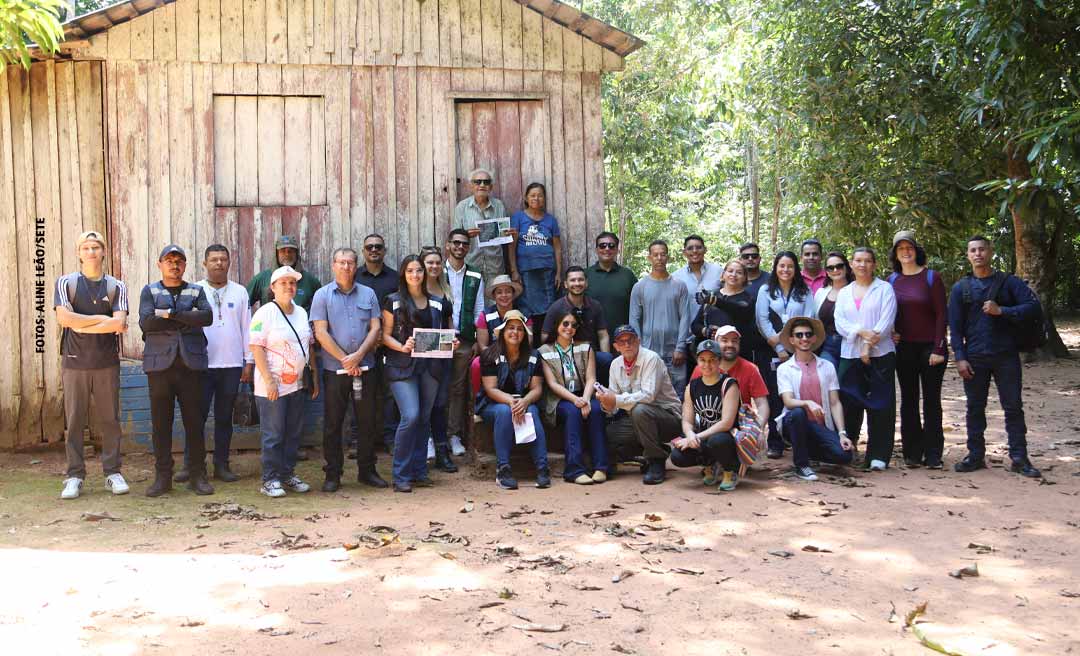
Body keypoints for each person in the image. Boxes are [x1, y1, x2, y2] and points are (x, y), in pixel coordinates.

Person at [948, 236, 1042, 478]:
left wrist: (1003, 311)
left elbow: (1033, 307)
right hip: (974, 356)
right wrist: (960, 357)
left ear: (990, 252)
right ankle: (975, 455)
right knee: (974, 408)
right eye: (973, 250)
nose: (978, 254)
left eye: (982, 249)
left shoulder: (1008, 282)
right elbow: (955, 328)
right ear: (968, 255)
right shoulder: (961, 288)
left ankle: (1019, 458)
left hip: (1006, 355)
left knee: (1013, 407)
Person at [54, 230, 130, 500]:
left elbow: (119, 324)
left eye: (96, 247)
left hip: (106, 363)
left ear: (104, 251)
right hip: (74, 363)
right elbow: (64, 319)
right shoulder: (66, 283)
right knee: (75, 420)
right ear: (79, 253)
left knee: (110, 420)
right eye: (85, 248)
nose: (91, 252)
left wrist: (81, 322)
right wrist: (101, 320)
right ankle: (74, 475)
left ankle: (112, 472)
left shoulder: (116, 286)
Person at [138, 245, 214, 497]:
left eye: (179, 261)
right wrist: (185, 317)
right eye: (169, 260)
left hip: (191, 366)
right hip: (159, 366)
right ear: (159, 264)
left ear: (185, 265)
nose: (174, 265)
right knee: (161, 424)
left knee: (194, 423)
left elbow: (206, 317)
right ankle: (163, 478)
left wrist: (171, 314)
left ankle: (197, 475)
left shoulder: (197, 289)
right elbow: (147, 322)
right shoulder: (149, 290)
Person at [310, 248, 387, 493]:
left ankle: (367, 471)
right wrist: (346, 360)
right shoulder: (322, 295)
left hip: (367, 368)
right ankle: (333, 473)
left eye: (350, 263)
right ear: (333, 265)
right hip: (335, 371)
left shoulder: (369, 294)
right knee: (333, 423)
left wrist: (359, 356)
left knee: (367, 421)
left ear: (356, 266)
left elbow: (376, 328)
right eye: (341, 263)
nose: (346, 267)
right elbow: (320, 332)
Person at [178, 244, 253, 485]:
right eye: (214, 259)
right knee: (194, 418)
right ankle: (191, 465)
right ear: (204, 263)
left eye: (223, 259)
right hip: (199, 365)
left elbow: (247, 328)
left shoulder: (240, 292)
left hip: (231, 365)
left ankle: (222, 464)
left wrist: (248, 361)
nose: (219, 263)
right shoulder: (193, 290)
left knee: (223, 418)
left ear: (229, 263)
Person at [381, 255, 454, 493]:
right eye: (410, 270)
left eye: (419, 270)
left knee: (424, 418)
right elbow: (384, 335)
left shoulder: (438, 302)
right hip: (401, 366)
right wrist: (401, 346)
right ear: (403, 273)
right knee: (410, 415)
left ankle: (419, 471)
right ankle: (400, 475)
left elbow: (449, 333)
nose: (415, 275)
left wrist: (451, 343)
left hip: (430, 366)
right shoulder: (392, 301)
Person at [249, 266, 320, 498]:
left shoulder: (300, 312)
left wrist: (314, 377)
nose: (289, 287)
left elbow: (309, 345)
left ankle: (287, 474)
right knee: (274, 434)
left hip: (297, 384)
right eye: (283, 283)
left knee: (292, 433)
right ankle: (270, 479)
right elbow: (256, 346)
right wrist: (268, 380)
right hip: (273, 386)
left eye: (293, 283)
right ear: (272, 287)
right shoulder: (264, 313)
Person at [888, 231, 948, 469]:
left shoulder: (932, 277)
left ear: (916, 250)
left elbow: (942, 314)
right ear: (895, 254)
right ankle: (912, 452)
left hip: (931, 348)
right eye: (900, 248)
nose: (905, 252)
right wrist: (891, 331)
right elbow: (889, 313)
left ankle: (933, 452)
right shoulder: (892, 281)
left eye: (909, 247)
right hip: (904, 348)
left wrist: (939, 347)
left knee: (931, 401)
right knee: (909, 400)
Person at [835, 247, 897, 471]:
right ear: (851, 264)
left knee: (881, 404)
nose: (862, 265)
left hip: (881, 354)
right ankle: (848, 450)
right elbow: (840, 323)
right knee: (849, 402)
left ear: (875, 264)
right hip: (850, 353)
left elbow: (886, 321)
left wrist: (869, 346)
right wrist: (861, 333)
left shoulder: (885, 289)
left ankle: (879, 454)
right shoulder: (844, 292)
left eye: (867, 261)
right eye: (858, 260)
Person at [596, 325, 682, 485]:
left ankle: (656, 461)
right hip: (638, 421)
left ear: (639, 341)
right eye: (622, 342)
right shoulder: (615, 365)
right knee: (610, 433)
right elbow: (614, 407)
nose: (627, 345)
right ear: (615, 347)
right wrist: (605, 402)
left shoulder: (651, 358)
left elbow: (648, 396)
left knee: (640, 410)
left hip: (669, 418)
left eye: (630, 340)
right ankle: (656, 450)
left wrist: (615, 399)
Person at [477, 310, 551, 490]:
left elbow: (537, 388)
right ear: (502, 331)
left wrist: (524, 402)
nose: (515, 332)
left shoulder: (534, 356)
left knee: (532, 411)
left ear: (525, 334)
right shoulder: (490, 355)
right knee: (504, 411)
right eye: (511, 328)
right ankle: (503, 469)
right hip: (494, 405)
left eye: (520, 329)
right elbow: (490, 388)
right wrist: (511, 402)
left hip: (523, 402)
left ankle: (542, 468)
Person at [776, 317, 854, 481]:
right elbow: (788, 401)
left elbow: (835, 402)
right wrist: (807, 403)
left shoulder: (827, 366)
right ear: (792, 340)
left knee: (845, 456)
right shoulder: (784, 369)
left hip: (820, 426)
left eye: (808, 334)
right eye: (799, 335)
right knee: (798, 412)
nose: (804, 338)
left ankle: (808, 451)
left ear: (814, 338)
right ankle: (802, 465)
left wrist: (842, 433)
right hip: (794, 423)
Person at [538, 308, 609, 485]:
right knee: (573, 412)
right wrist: (575, 400)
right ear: (556, 326)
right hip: (560, 399)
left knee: (597, 410)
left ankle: (601, 467)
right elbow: (552, 384)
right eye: (565, 324)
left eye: (573, 325)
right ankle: (574, 470)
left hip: (584, 393)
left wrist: (585, 399)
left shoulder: (585, 347)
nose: (569, 328)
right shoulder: (544, 351)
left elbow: (591, 377)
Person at [755, 250, 815, 459]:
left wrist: (797, 347)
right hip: (773, 351)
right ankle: (775, 442)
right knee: (774, 395)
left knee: (799, 394)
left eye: (790, 266)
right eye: (782, 266)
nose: (785, 270)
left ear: (795, 268)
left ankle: (800, 440)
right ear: (775, 268)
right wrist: (780, 348)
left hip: (800, 349)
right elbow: (762, 321)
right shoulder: (765, 290)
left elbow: (809, 318)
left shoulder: (804, 291)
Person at [671, 340, 742, 491]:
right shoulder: (692, 386)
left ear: (720, 361)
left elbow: (726, 423)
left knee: (718, 440)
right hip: (704, 437)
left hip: (726, 439)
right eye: (702, 360)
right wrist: (690, 434)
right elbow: (687, 420)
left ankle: (730, 470)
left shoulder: (730, 384)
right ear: (697, 361)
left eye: (712, 360)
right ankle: (709, 464)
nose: (707, 365)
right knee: (677, 456)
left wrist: (697, 437)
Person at [442, 229, 485, 458]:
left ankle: (453, 435)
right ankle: (433, 436)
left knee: (458, 388)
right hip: (440, 338)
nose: (460, 247)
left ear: (468, 248)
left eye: (464, 244)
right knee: (436, 387)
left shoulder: (476, 275)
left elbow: (479, 309)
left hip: (465, 339)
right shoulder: (437, 272)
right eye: (455, 243)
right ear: (448, 245)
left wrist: (479, 339)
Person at [630, 240, 691, 397]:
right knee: (650, 391)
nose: (659, 258)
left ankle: (679, 421)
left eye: (663, 254)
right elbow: (634, 319)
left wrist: (680, 347)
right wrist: (640, 349)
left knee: (677, 392)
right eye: (655, 255)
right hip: (649, 348)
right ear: (649, 258)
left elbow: (685, 317)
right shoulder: (640, 287)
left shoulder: (679, 285)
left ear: (668, 257)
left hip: (674, 350)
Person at [356, 233, 399, 454]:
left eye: (378, 247)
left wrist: (383, 336)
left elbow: (400, 310)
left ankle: (390, 438)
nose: (374, 250)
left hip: (389, 345)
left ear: (384, 250)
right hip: (361, 346)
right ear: (364, 251)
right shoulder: (354, 277)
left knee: (390, 393)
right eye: (369, 247)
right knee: (361, 393)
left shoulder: (395, 278)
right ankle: (360, 441)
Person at [421, 246, 460, 472]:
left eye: (437, 262)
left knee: (440, 403)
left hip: (442, 358)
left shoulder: (445, 290)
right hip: (419, 360)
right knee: (421, 406)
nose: (434, 266)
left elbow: (449, 325)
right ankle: (422, 450)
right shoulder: (415, 289)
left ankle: (442, 452)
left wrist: (452, 340)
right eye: (429, 263)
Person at [542, 266, 613, 384]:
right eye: (573, 280)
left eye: (580, 280)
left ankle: (601, 393)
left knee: (607, 359)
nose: (577, 283)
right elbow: (545, 336)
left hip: (591, 354)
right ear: (565, 284)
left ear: (586, 283)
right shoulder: (556, 308)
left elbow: (603, 335)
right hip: (566, 354)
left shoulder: (595, 306)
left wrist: (605, 353)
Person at [508, 182, 562, 327]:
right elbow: (511, 246)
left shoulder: (551, 220)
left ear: (544, 199)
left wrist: (558, 273)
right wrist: (514, 270)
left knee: (549, 307)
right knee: (526, 308)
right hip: (526, 270)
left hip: (547, 270)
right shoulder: (518, 218)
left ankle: (546, 341)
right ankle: (530, 343)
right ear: (526, 198)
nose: (536, 198)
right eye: (532, 195)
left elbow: (557, 247)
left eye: (540, 195)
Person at [452, 168, 510, 295]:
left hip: (495, 265)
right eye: (478, 182)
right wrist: (467, 235)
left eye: (486, 182)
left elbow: (504, 235)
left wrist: (507, 234)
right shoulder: (462, 207)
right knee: (471, 303)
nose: (482, 185)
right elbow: (454, 238)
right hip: (471, 264)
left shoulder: (499, 206)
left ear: (491, 186)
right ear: (471, 186)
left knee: (493, 302)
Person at [692, 258, 756, 359]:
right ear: (723, 274)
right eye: (730, 271)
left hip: (738, 355)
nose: (733, 275)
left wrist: (715, 301)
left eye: (739, 272)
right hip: (712, 356)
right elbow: (695, 325)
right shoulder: (713, 295)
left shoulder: (748, 299)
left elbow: (741, 312)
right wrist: (706, 331)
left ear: (744, 278)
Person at [246, 234, 322, 311]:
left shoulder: (310, 281)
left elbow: (322, 310)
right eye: (283, 251)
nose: (287, 254)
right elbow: (243, 304)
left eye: (290, 251)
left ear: (296, 254)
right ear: (277, 254)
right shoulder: (262, 278)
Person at [585, 231, 638, 333]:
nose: (607, 249)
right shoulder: (586, 275)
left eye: (611, 246)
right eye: (602, 246)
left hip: (622, 337)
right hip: (591, 336)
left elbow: (638, 306)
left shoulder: (627, 275)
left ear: (617, 250)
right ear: (596, 250)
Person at [672, 235, 724, 334]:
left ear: (705, 250)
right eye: (690, 248)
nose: (695, 251)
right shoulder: (676, 277)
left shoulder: (718, 272)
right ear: (684, 252)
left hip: (714, 334)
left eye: (699, 247)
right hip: (685, 335)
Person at [812, 251, 854, 368]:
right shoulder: (821, 292)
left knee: (847, 383)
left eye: (839, 266)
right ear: (827, 272)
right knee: (827, 378)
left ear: (846, 267)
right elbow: (816, 320)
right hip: (828, 344)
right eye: (831, 268)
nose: (835, 270)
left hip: (851, 343)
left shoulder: (856, 290)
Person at [476, 274, 528, 351]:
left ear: (513, 294)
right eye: (499, 292)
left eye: (508, 292)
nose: (504, 295)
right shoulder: (485, 315)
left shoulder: (524, 314)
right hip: (493, 357)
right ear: (494, 296)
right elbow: (483, 347)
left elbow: (528, 344)